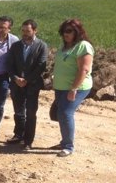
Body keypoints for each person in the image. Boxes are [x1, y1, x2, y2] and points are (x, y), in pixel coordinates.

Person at [52, 18, 94, 157]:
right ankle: (65, 141)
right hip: (61, 87)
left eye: (69, 31)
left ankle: (68, 147)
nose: (66, 34)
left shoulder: (83, 46)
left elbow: (84, 69)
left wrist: (74, 88)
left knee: (65, 113)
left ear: (77, 31)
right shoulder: (65, 47)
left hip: (77, 87)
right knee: (60, 114)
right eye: (63, 31)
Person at [7, 19, 48, 150]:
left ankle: (28, 141)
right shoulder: (16, 46)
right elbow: (10, 65)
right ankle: (18, 135)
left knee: (31, 112)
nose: (25, 33)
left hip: (32, 85)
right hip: (16, 84)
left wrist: (27, 80)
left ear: (35, 31)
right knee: (18, 112)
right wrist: (15, 78)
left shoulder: (41, 46)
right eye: (23, 30)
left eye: (28, 31)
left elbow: (41, 66)